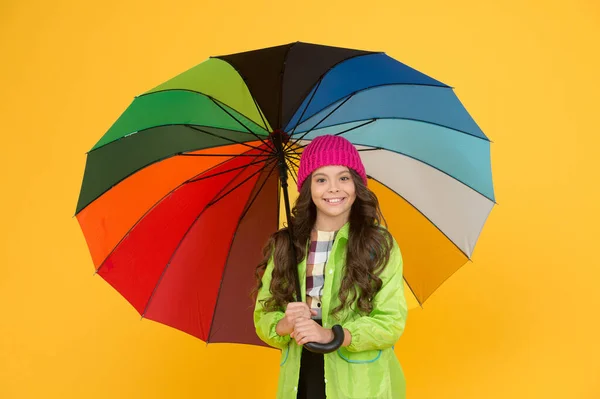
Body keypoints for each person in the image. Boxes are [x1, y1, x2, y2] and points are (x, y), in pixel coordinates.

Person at [253, 135, 408, 399]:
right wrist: (285, 324)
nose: (333, 188)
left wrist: (333, 335)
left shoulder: (379, 244)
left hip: (360, 384)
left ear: (357, 185)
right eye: (321, 179)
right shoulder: (287, 245)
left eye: (344, 178)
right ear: (308, 188)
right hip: (302, 376)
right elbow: (263, 315)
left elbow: (390, 322)